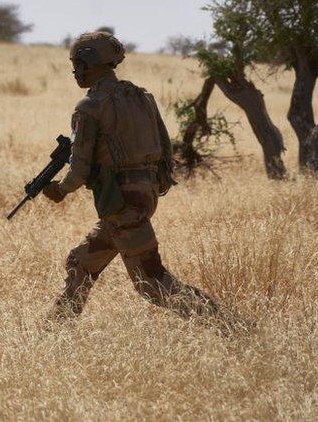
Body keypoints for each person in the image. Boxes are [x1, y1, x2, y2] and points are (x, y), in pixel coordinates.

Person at [42, 31, 219, 321]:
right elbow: (165, 146)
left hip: (121, 202)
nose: (75, 70)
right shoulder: (141, 96)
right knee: (81, 263)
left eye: (77, 63)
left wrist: (60, 190)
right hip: (141, 195)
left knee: (151, 283)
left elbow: (79, 168)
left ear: (90, 63)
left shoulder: (89, 106)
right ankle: (54, 331)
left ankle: (227, 324)